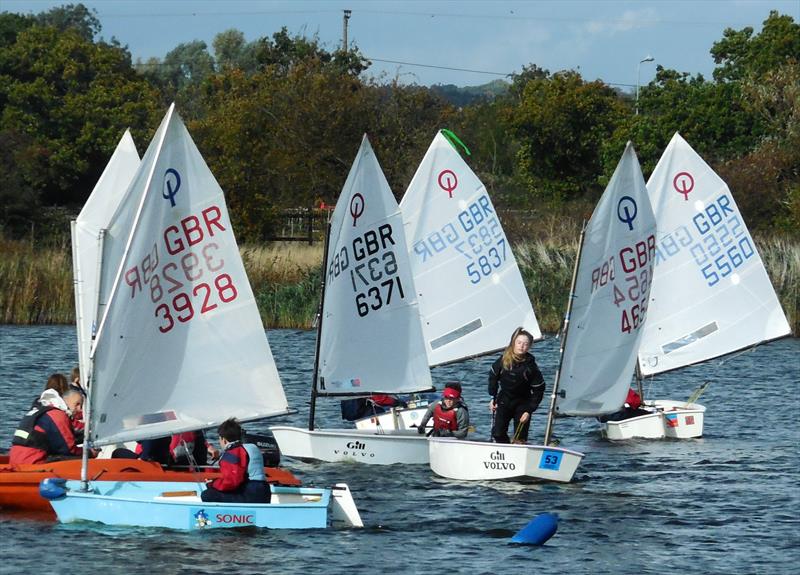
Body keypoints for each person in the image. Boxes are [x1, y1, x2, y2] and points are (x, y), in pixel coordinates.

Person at [488, 327, 545, 444]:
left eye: (525, 344)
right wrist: (492, 398)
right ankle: (504, 451)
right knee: (498, 434)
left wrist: (529, 410)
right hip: (504, 400)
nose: (521, 346)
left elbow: (539, 389)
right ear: (513, 343)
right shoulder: (503, 360)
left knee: (519, 439)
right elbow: (493, 376)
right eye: (519, 343)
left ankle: (517, 450)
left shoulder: (531, 366)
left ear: (529, 347)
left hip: (523, 404)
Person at [9, 388, 87, 464]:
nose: (80, 409)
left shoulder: (40, 410)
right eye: (77, 404)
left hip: (15, 458)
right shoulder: (58, 415)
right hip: (33, 461)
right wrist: (90, 452)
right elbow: (70, 450)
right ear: (66, 401)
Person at [201, 418, 270, 503]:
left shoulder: (231, 454)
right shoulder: (252, 447)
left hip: (250, 495)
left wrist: (212, 483)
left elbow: (231, 482)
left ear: (224, 440)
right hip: (265, 492)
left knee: (207, 494)